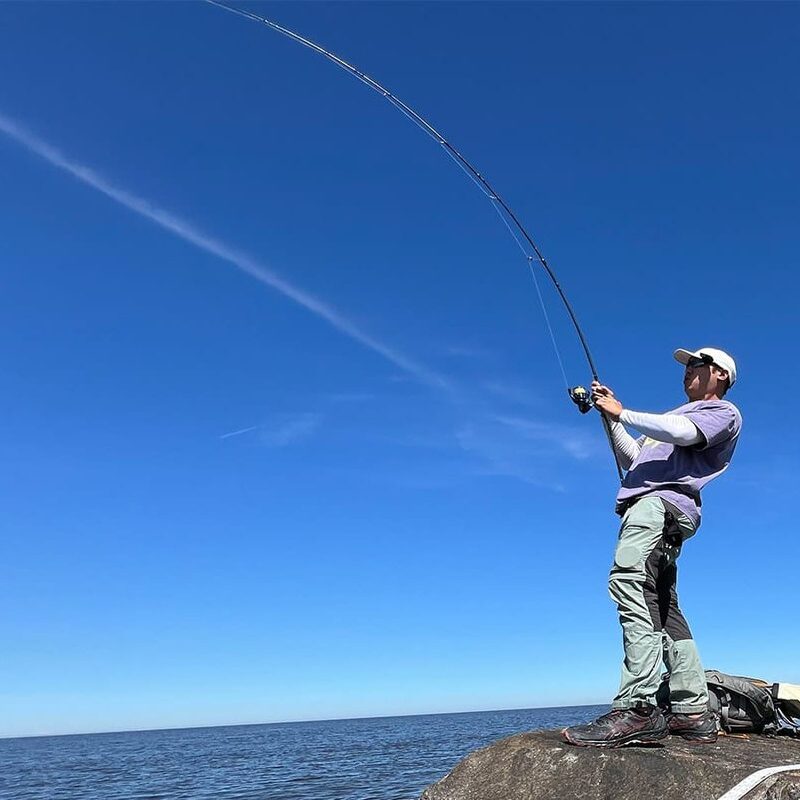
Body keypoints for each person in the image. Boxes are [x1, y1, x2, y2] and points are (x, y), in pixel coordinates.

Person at [562, 347, 742, 748]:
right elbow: (633, 459)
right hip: (658, 511)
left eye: (695, 365)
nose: (687, 371)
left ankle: (637, 708)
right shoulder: (665, 424)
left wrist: (622, 410)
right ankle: (692, 710)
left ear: (720, 376)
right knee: (664, 605)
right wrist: (612, 420)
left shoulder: (721, 414)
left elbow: (683, 433)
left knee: (630, 583)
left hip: (657, 508)